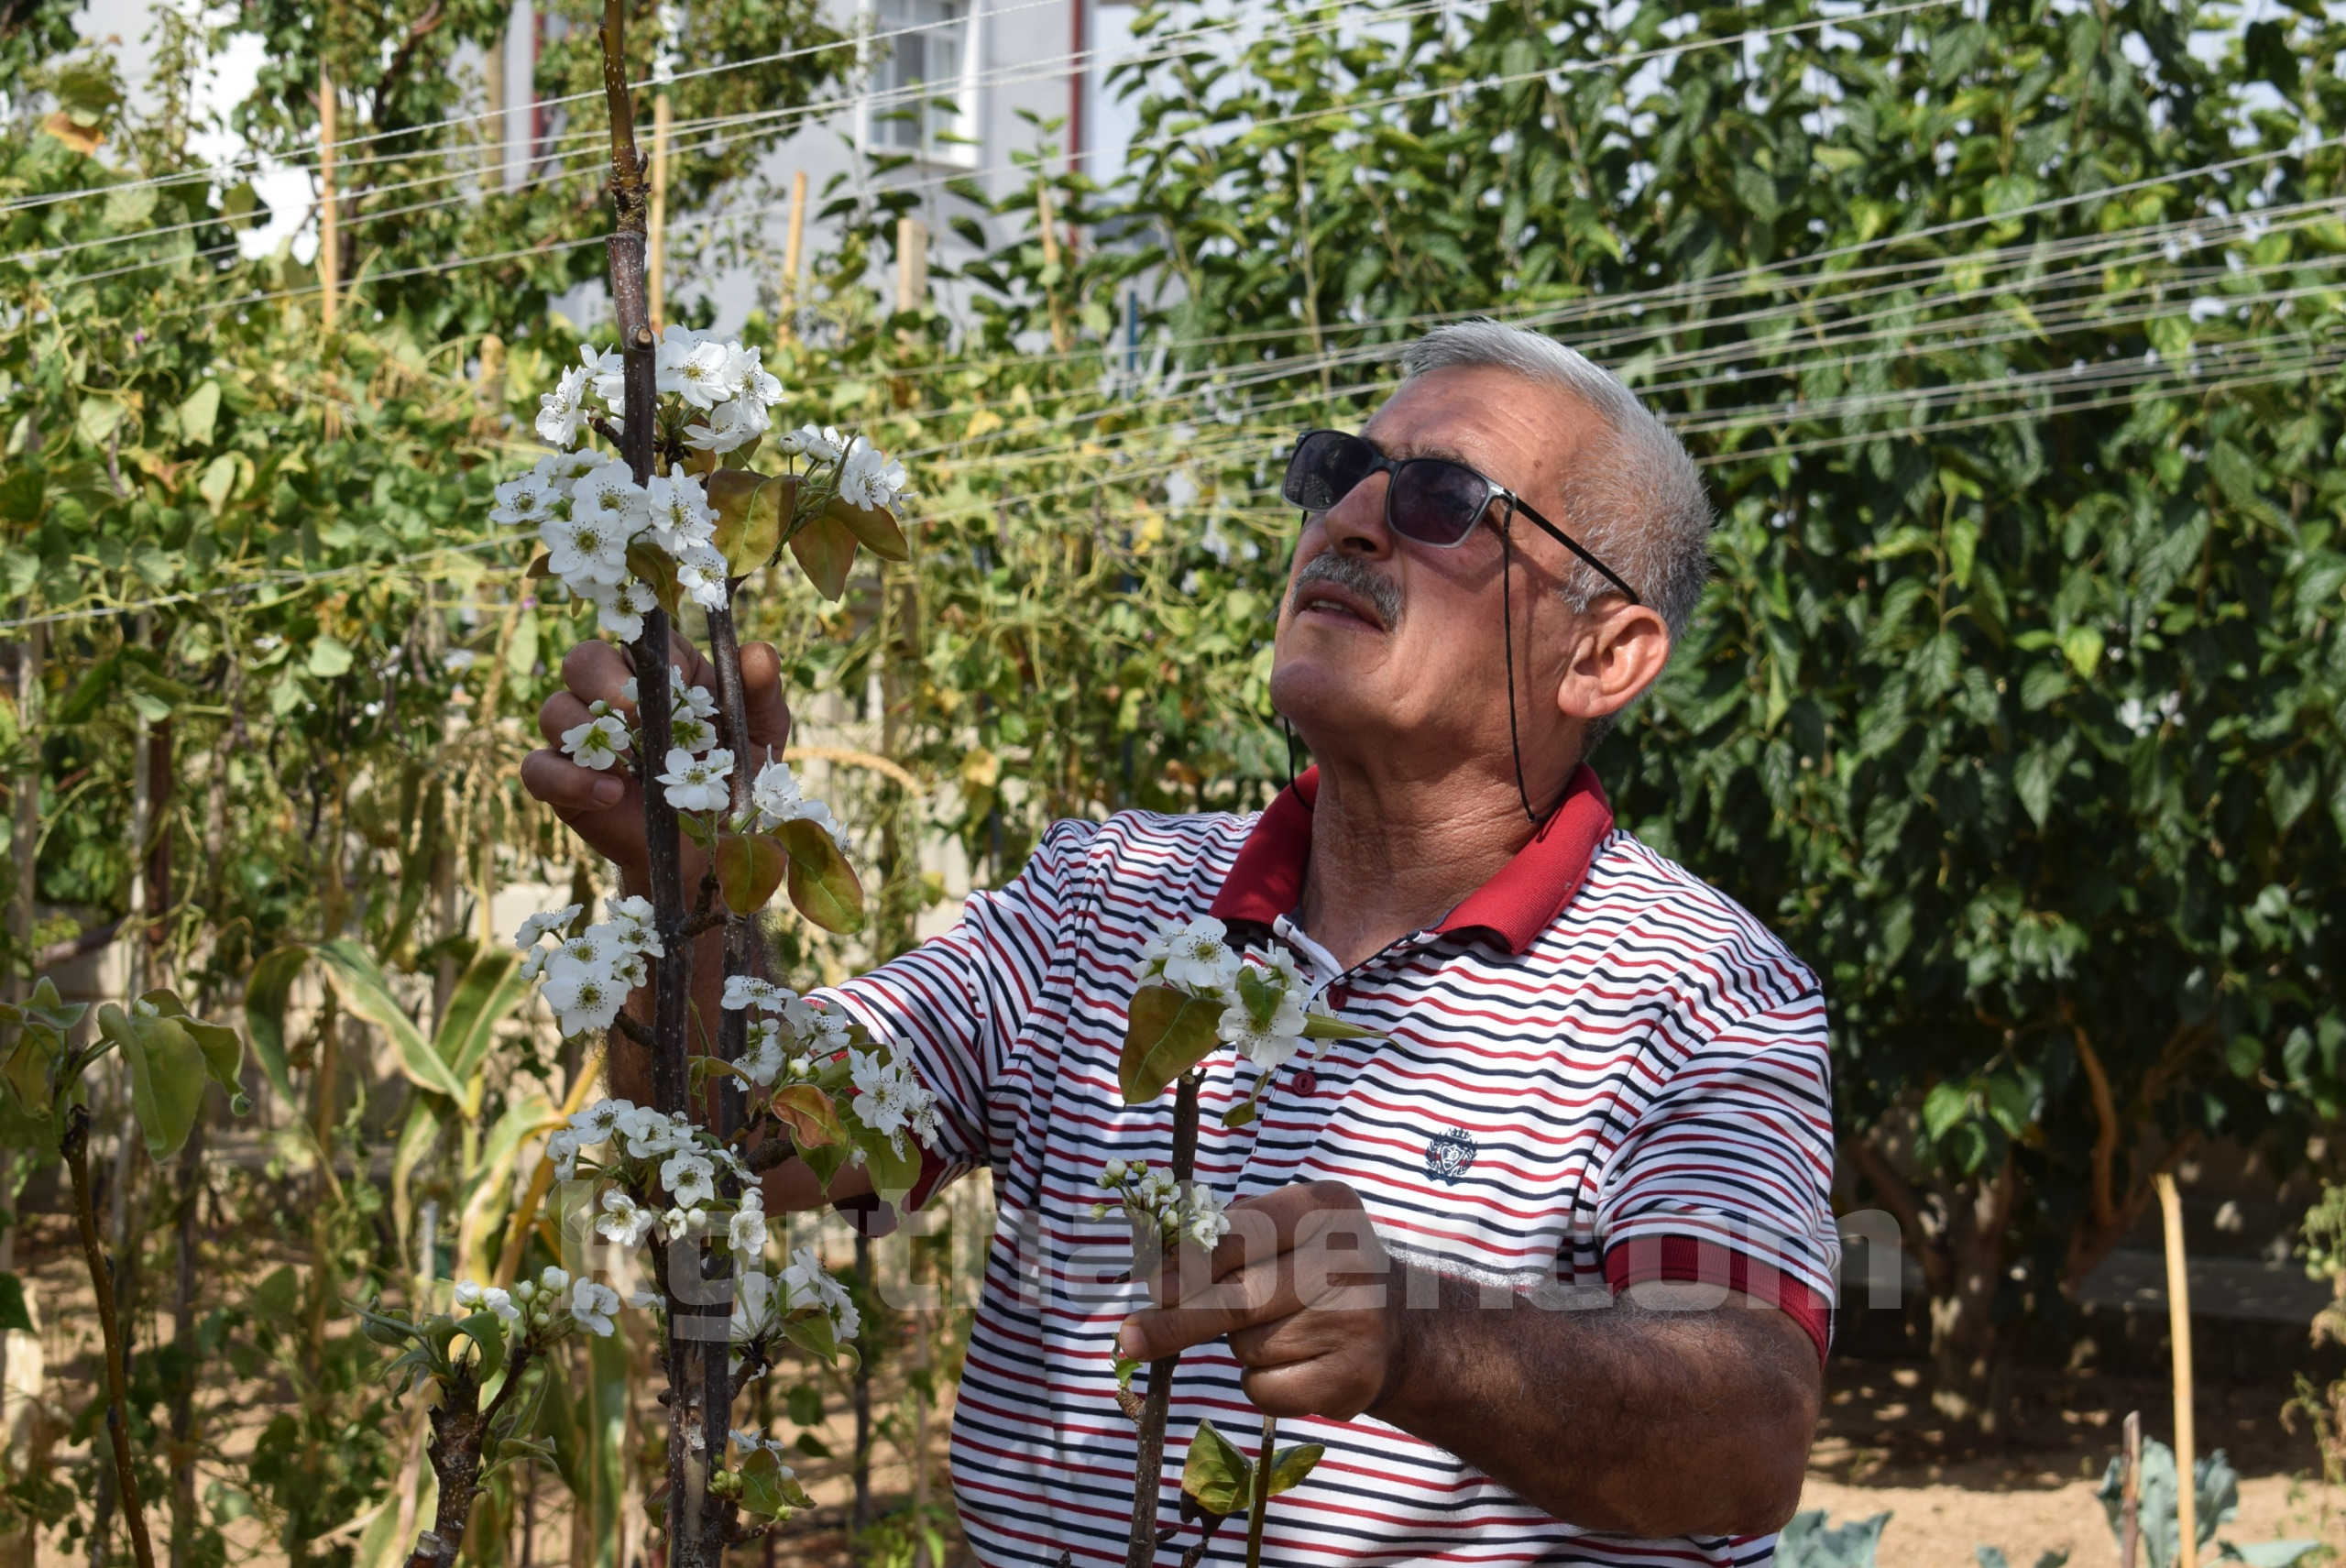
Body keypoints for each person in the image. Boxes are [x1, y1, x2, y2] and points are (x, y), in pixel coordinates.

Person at [521, 319, 1838, 1566]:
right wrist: (681, 883)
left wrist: (1416, 1333)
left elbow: (1745, 1422)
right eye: (1341, 472)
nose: (1354, 518)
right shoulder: (1104, 897)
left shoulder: (1699, 991)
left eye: (1444, 498)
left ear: (1604, 656)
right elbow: (744, 1143)